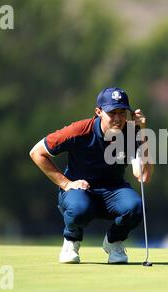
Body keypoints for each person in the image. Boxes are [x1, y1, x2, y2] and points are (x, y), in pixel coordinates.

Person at [29, 87, 153, 264]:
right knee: (79, 208)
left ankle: (113, 241)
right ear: (99, 112)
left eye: (122, 113)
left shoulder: (132, 133)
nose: (118, 118)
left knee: (136, 207)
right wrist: (65, 184)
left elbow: (143, 176)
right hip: (79, 192)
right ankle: (71, 241)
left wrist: (143, 132)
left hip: (113, 191)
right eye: (112, 113)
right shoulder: (79, 130)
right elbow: (37, 153)